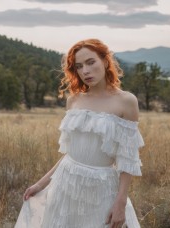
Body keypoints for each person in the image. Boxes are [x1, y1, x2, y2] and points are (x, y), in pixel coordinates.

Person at [14, 39, 144, 228]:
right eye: (79, 66)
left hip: (101, 188)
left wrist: (121, 202)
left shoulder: (126, 101)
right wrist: (41, 184)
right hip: (65, 185)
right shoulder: (74, 101)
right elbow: (72, 154)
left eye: (91, 62)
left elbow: (128, 158)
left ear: (105, 61)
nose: (85, 71)